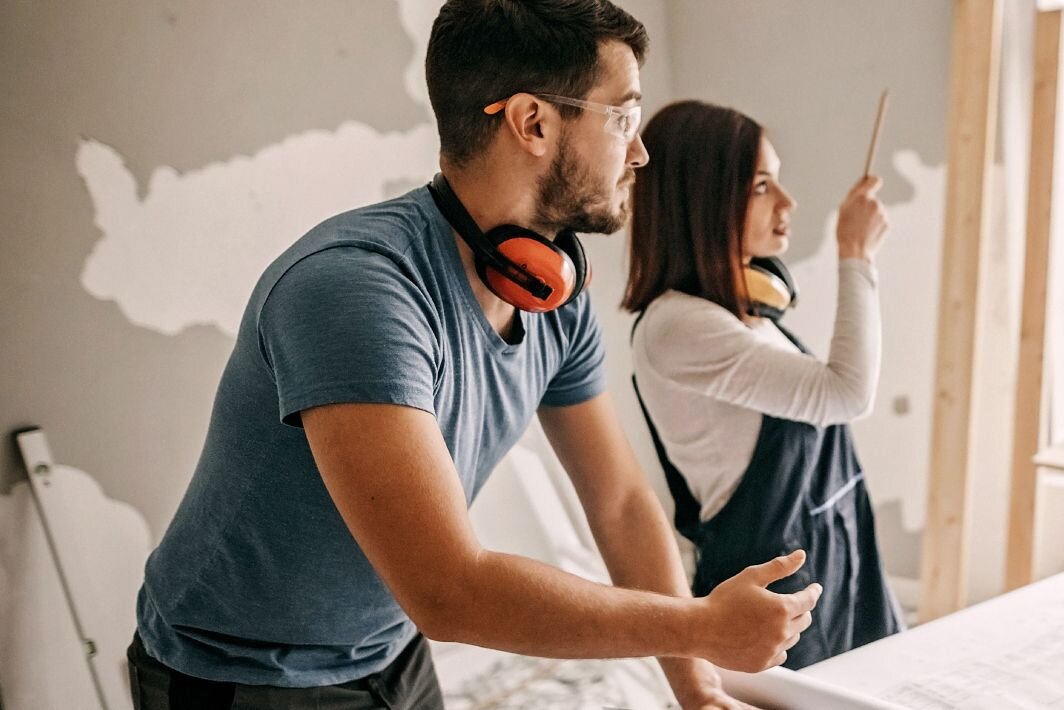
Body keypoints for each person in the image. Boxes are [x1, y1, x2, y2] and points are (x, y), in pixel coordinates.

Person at [128, 3, 813, 708]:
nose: (639, 153)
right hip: (239, 672)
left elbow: (619, 503)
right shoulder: (355, 291)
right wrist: (700, 626)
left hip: (389, 650)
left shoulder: (554, 289)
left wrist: (695, 688)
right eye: (623, 117)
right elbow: (449, 591)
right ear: (533, 122)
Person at [622, 100, 904, 669]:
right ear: (703, 198)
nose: (787, 202)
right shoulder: (679, 327)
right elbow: (846, 392)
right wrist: (855, 255)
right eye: (760, 186)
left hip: (838, 553)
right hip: (770, 585)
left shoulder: (745, 313)